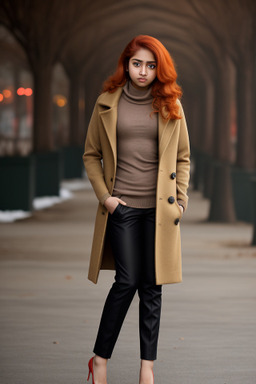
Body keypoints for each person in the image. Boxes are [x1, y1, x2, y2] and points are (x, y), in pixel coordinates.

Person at [83, 35, 190, 384]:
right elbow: (91, 155)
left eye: (150, 65)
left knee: (152, 285)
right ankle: (100, 359)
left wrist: (181, 201)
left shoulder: (170, 104)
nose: (142, 71)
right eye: (136, 63)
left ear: (159, 69)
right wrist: (106, 198)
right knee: (126, 281)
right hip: (123, 207)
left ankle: (147, 368)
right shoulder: (107, 103)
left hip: (160, 211)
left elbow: (184, 157)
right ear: (125, 64)